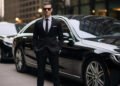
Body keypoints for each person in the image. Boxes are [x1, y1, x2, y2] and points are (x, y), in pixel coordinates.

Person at [33, 1, 63, 86]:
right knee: (40, 74)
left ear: (51, 10)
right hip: (41, 51)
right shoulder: (38, 23)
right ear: (43, 10)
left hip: (53, 51)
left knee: (55, 74)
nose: (47, 10)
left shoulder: (57, 22)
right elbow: (34, 38)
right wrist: (36, 49)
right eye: (45, 9)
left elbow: (61, 38)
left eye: (48, 9)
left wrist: (59, 48)